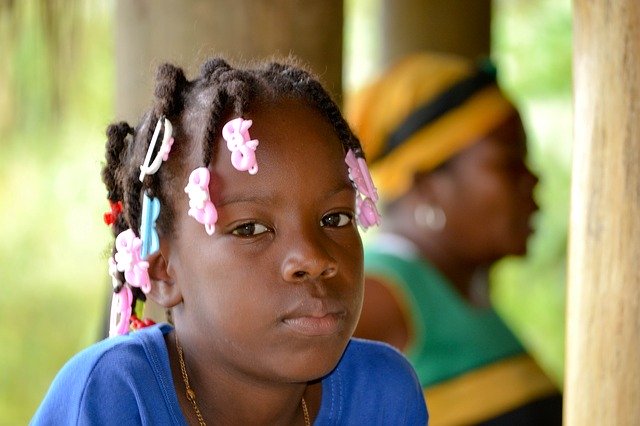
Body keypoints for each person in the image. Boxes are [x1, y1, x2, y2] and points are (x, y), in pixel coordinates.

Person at [32, 57, 428, 425]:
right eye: (250, 229)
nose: (312, 257)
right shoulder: (115, 396)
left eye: (335, 218)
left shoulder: (383, 395)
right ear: (164, 271)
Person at [346, 52, 562, 425]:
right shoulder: (382, 297)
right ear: (427, 185)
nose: (533, 180)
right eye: (510, 164)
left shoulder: (459, 293)